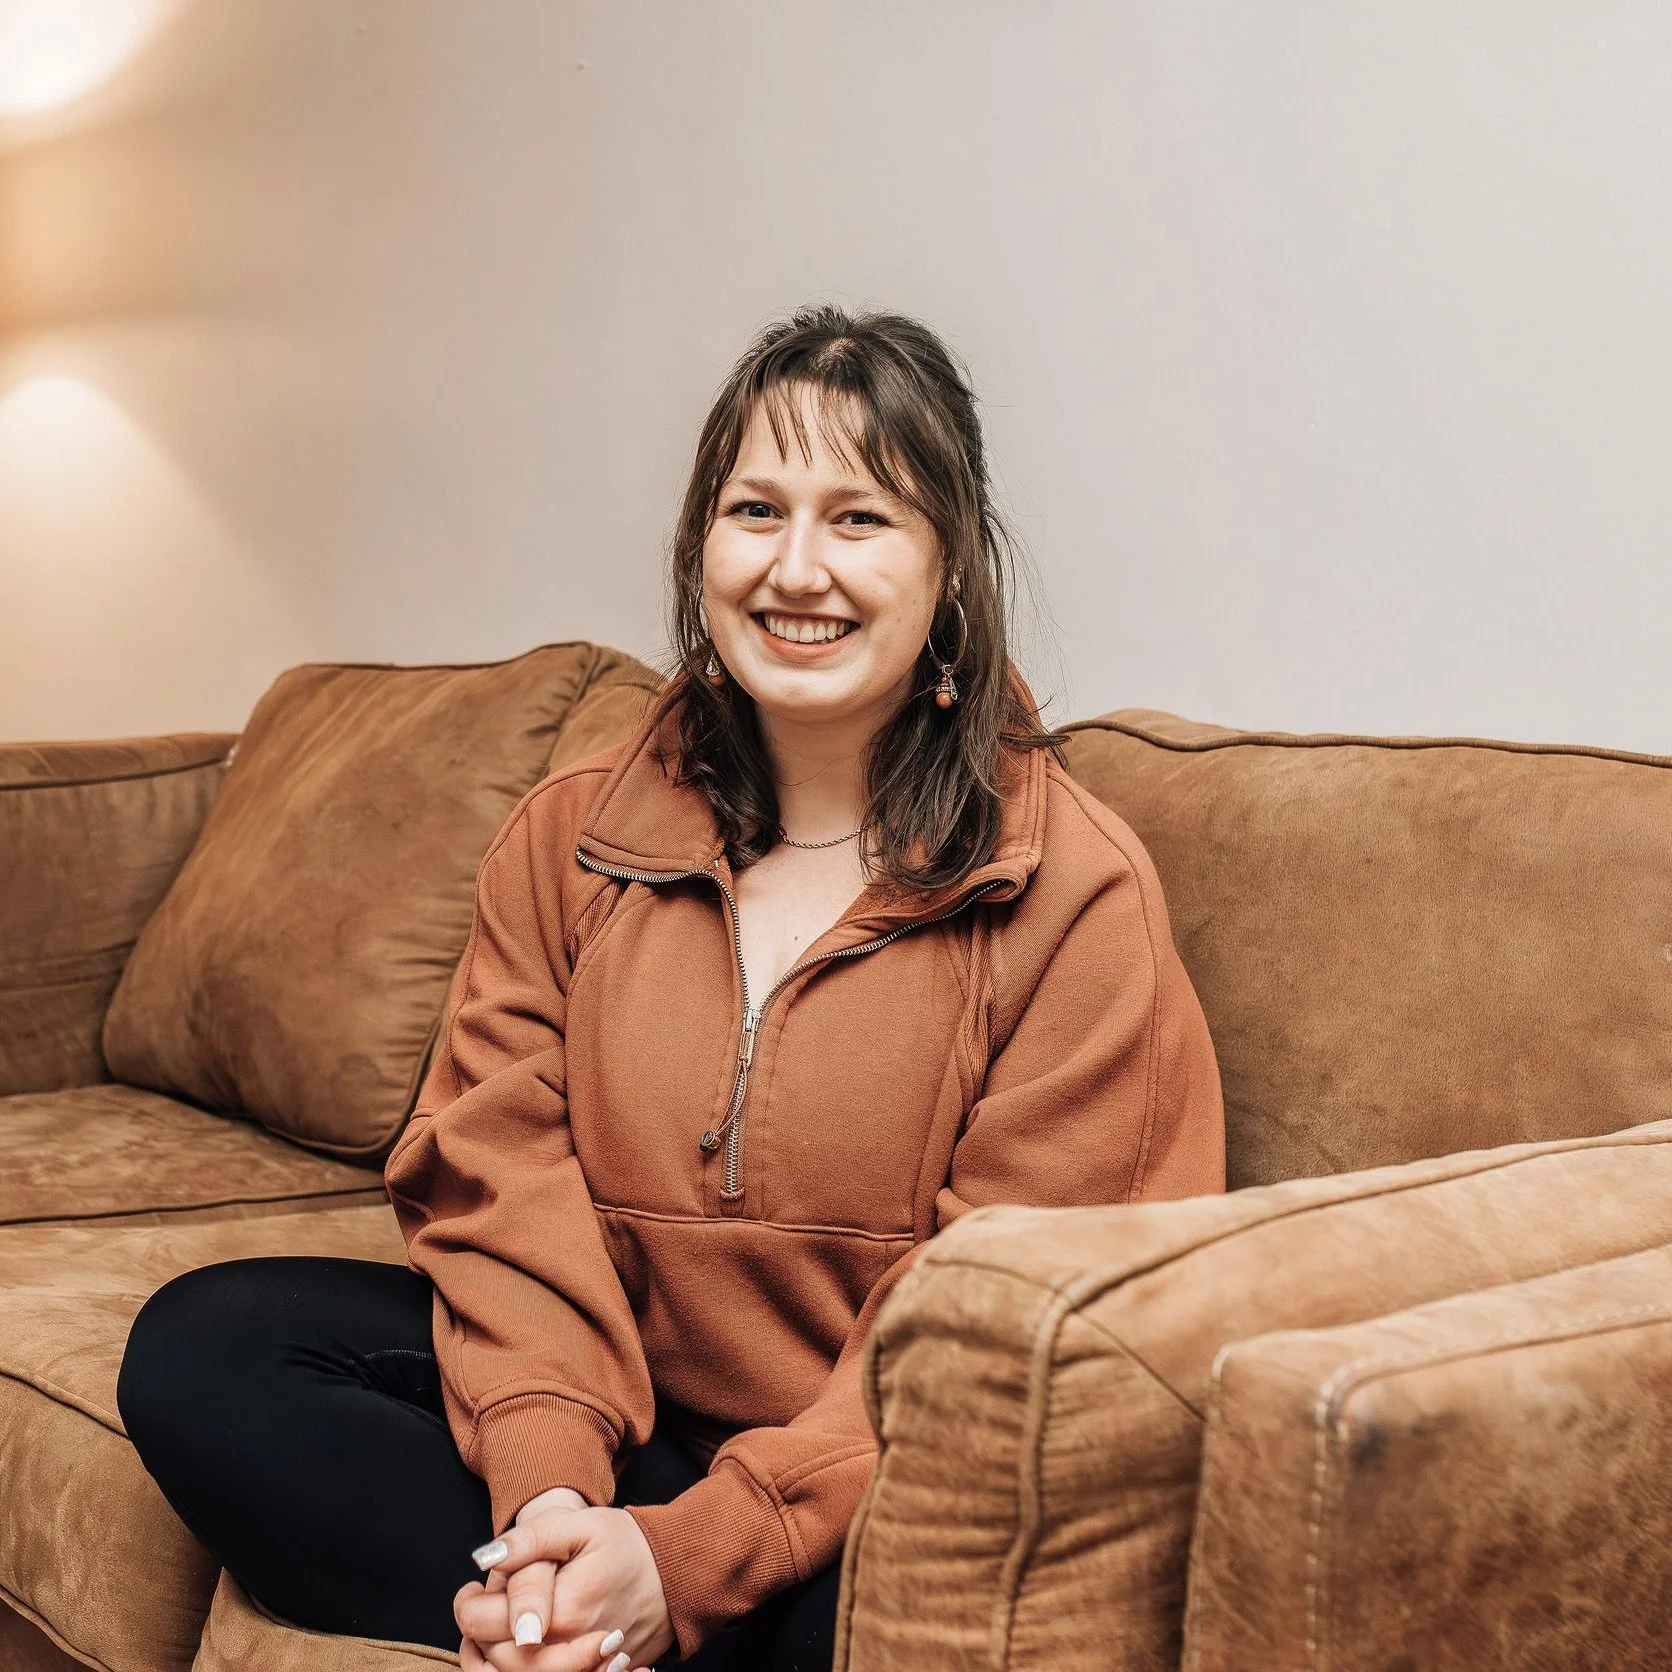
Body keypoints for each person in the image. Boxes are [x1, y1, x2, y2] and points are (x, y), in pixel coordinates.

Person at [116, 304, 1226, 1672]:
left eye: (861, 519)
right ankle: (573, 1613)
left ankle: (615, 1623)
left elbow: (1005, 1318)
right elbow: (498, 1175)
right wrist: (551, 1497)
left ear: (950, 569)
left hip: (865, 1484)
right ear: (702, 545)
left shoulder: (1071, 895)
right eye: (756, 511)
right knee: (209, 1351)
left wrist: (698, 1558)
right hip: (623, 1428)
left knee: (920, 1604)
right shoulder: (572, 837)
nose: (797, 569)